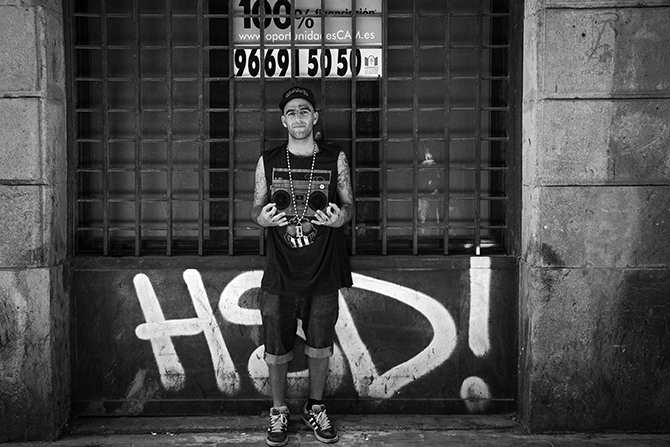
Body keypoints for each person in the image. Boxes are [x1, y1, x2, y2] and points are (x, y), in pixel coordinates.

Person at [250, 86, 354, 446]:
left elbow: (349, 205)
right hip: (280, 270)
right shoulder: (268, 160)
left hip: (323, 269)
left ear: (315, 117)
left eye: (304, 110)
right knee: (276, 344)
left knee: (321, 343)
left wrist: (339, 219)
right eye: (291, 112)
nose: (298, 117)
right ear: (283, 120)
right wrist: (262, 219)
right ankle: (278, 411)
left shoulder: (335, 158)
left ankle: (315, 406)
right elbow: (255, 207)